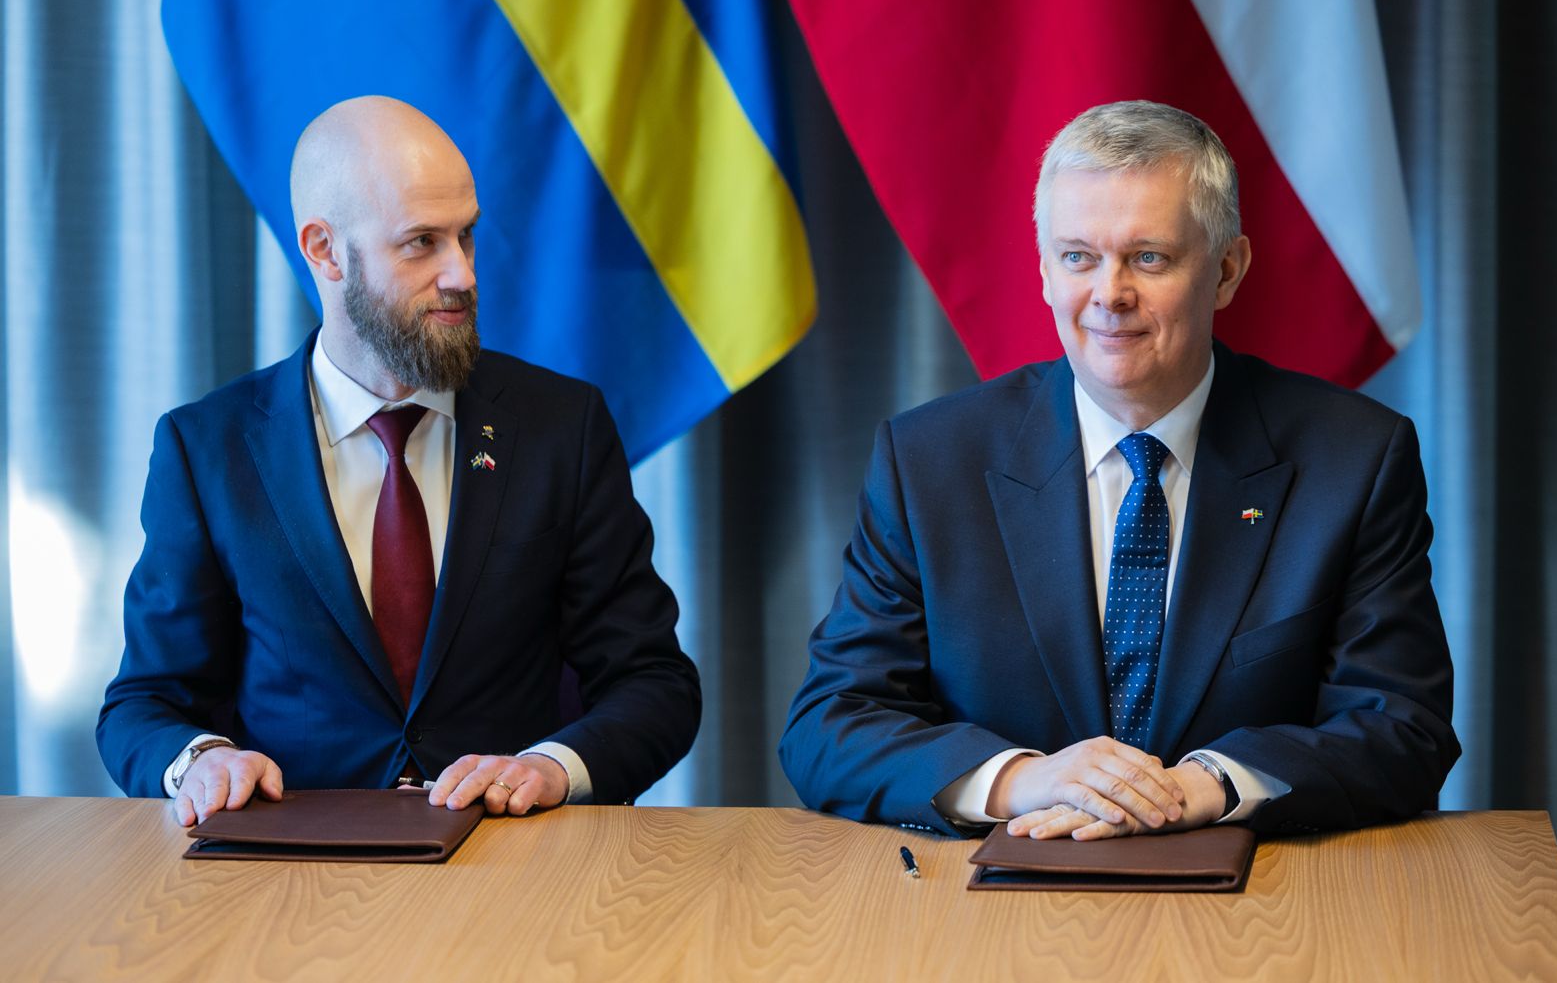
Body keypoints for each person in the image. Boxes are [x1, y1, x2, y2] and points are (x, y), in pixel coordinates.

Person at [779, 100, 1458, 840]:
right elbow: (830, 725)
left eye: (1149, 257)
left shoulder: (1354, 460)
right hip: (989, 890)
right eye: (1078, 257)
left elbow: (1403, 727)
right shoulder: (929, 462)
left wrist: (1206, 786)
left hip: (1260, 892)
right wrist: (1022, 780)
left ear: (1226, 270)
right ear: (1044, 271)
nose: (1110, 294)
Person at [98, 96, 699, 826]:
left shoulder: (560, 428)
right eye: (421, 243)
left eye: (466, 236)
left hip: (512, 858)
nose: (462, 274)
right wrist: (202, 760)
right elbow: (145, 702)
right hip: (288, 865)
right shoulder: (208, 449)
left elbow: (654, 683)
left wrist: (550, 768)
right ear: (324, 251)